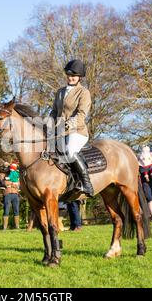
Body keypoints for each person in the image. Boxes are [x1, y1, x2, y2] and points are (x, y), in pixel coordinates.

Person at [50, 59, 93, 197]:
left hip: (77, 131)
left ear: (80, 77)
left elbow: (81, 114)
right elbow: (54, 111)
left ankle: (87, 184)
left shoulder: (83, 93)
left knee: (70, 151)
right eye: (68, 74)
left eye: (74, 75)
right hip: (60, 132)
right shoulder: (60, 92)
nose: (71, 77)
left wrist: (68, 124)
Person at [0, 164, 21, 230]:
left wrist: (11, 184)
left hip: (15, 194)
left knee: (16, 210)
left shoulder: (15, 174)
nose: (8, 169)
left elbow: (18, 184)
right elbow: (3, 183)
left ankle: (17, 227)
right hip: (7, 194)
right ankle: (4, 228)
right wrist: (13, 184)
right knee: (6, 210)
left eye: (8, 167)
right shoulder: (2, 175)